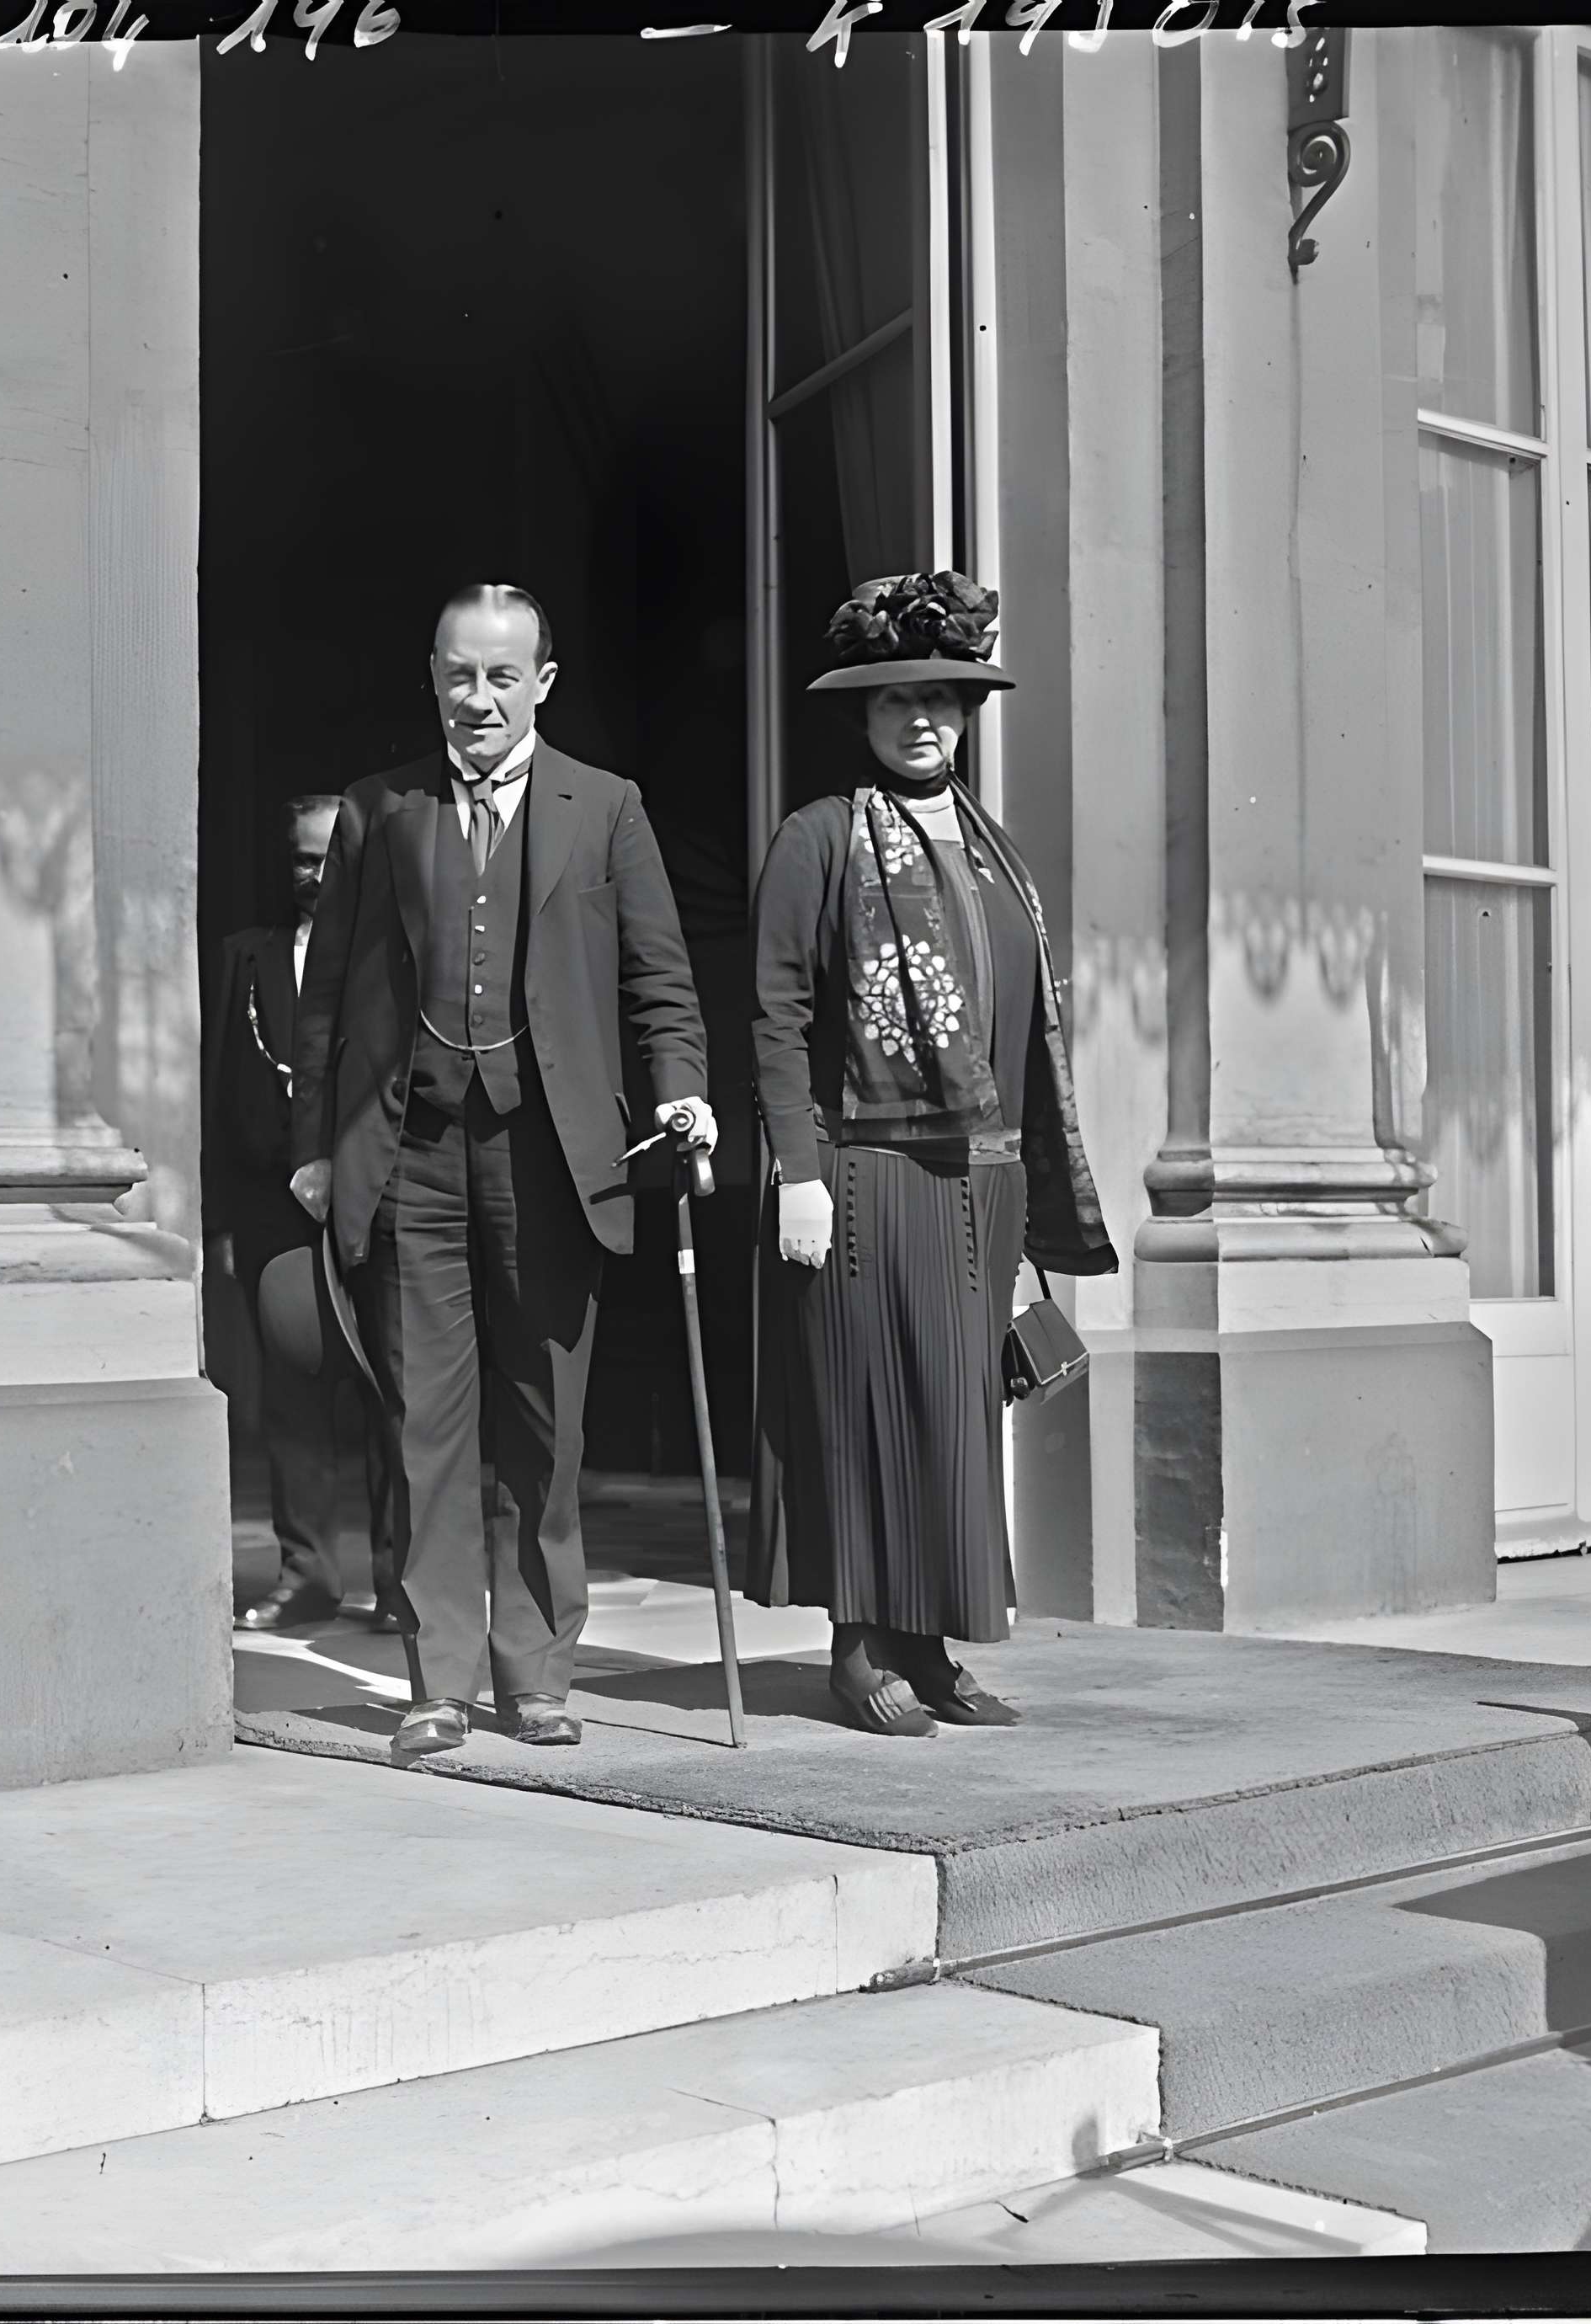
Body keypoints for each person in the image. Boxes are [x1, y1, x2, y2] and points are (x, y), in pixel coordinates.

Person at [289, 582, 716, 1758]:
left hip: (551, 1160)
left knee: (545, 1427)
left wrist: (682, 1083)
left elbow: (659, 980)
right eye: (457, 675)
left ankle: (535, 1677)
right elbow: (327, 998)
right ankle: (437, 1683)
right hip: (411, 1152)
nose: (477, 700)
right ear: (433, 676)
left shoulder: (607, 808)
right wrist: (316, 1151)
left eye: (500, 677)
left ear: (543, 684)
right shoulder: (383, 810)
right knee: (426, 1424)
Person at [747, 572, 1118, 1736]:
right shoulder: (818, 838)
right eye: (900, 700)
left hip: (984, 1171)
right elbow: (774, 1016)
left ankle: (934, 1639)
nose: (925, 719)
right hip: (864, 1166)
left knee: (957, 1410)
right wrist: (796, 1171)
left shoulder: (1000, 852)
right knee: (864, 1400)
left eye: (947, 701)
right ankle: (858, 1646)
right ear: (861, 716)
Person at [210, 794, 396, 1634]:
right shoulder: (244, 959)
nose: (314, 875)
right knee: (291, 1394)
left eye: (330, 857)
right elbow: (219, 1088)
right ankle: (308, 1575)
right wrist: (220, 1217)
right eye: (300, 858)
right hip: (270, 1210)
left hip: (381, 1203)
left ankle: (403, 1582)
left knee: (396, 1390)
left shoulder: (395, 955)